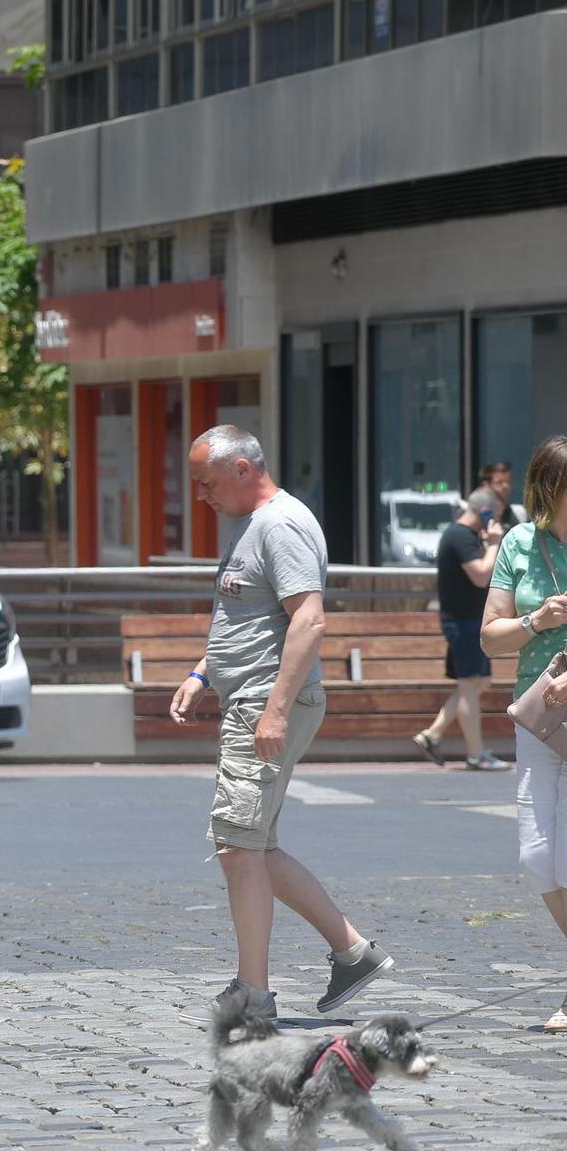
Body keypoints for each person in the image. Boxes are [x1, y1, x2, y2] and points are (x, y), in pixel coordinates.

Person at [172, 425, 395, 1023]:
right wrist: (202, 674)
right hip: (247, 696)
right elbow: (248, 618)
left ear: (244, 468)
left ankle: (254, 994)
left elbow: (309, 621)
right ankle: (352, 951)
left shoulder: (281, 524)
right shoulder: (250, 523)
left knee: (237, 846)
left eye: (208, 482)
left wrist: (272, 711)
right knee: (251, 845)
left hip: (266, 703)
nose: (201, 495)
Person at [481, 436, 567, 1033]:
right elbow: (491, 637)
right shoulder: (519, 543)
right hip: (538, 714)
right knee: (538, 856)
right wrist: (537, 620)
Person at [412, 490, 508, 770]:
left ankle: (432, 734)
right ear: (485, 510)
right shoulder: (461, 536)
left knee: (479, 683)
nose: (496, 521)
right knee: (469, 685)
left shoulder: (464, 535)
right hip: (462, 622)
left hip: (469, 621)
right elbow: (480, 575)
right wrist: (493, 544)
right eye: (495, 514)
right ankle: (477, 754)